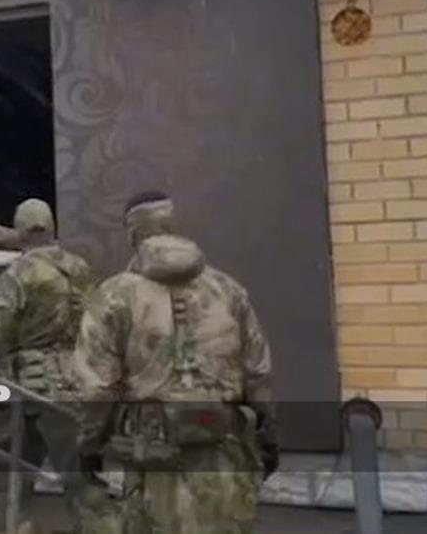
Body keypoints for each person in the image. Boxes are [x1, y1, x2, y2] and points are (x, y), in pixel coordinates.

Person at [72, 192, 279, 534]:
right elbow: (257, 372)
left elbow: (97, 387)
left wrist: (88, 445)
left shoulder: (114, 295)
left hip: (154, 461)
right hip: (224, 452)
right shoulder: (228, 289)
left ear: (133, 233)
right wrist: (268, 434)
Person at [0, 199, 96, 528]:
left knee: (13, 469)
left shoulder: (20, 272)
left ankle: (15, 523)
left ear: (19, 231)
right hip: (77, 376)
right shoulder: (80, 267)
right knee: (79, 473)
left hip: (29, 383)